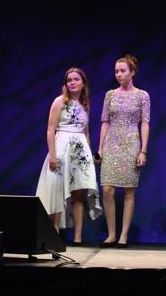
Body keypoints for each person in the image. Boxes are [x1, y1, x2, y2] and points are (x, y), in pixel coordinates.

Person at [35, 68, 102, 245]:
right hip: (62, 148)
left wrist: (89, 155)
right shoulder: (60, 102)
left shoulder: (85, 103)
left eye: (76, 79)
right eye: (69, 80)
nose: (72, 83)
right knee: (57, 190)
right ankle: (54, 234)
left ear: (83, 83)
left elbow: (86, 131)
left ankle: (78, 238)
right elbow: (50, 129)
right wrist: (52, 155)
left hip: (80, 152)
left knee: (79, 194)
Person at [98, 54, 150, 247]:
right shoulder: (110, 95)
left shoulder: (142, 95)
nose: (118, 74)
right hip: (111, 143)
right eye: (116, 71)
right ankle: (111, 234)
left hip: (131, 144)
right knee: (107, 189)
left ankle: (123, 236)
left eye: (122, 70)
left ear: (132, 72)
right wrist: (100, 148)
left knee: (129, 190)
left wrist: (143, 151)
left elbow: (144, 123)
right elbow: (105, 122)